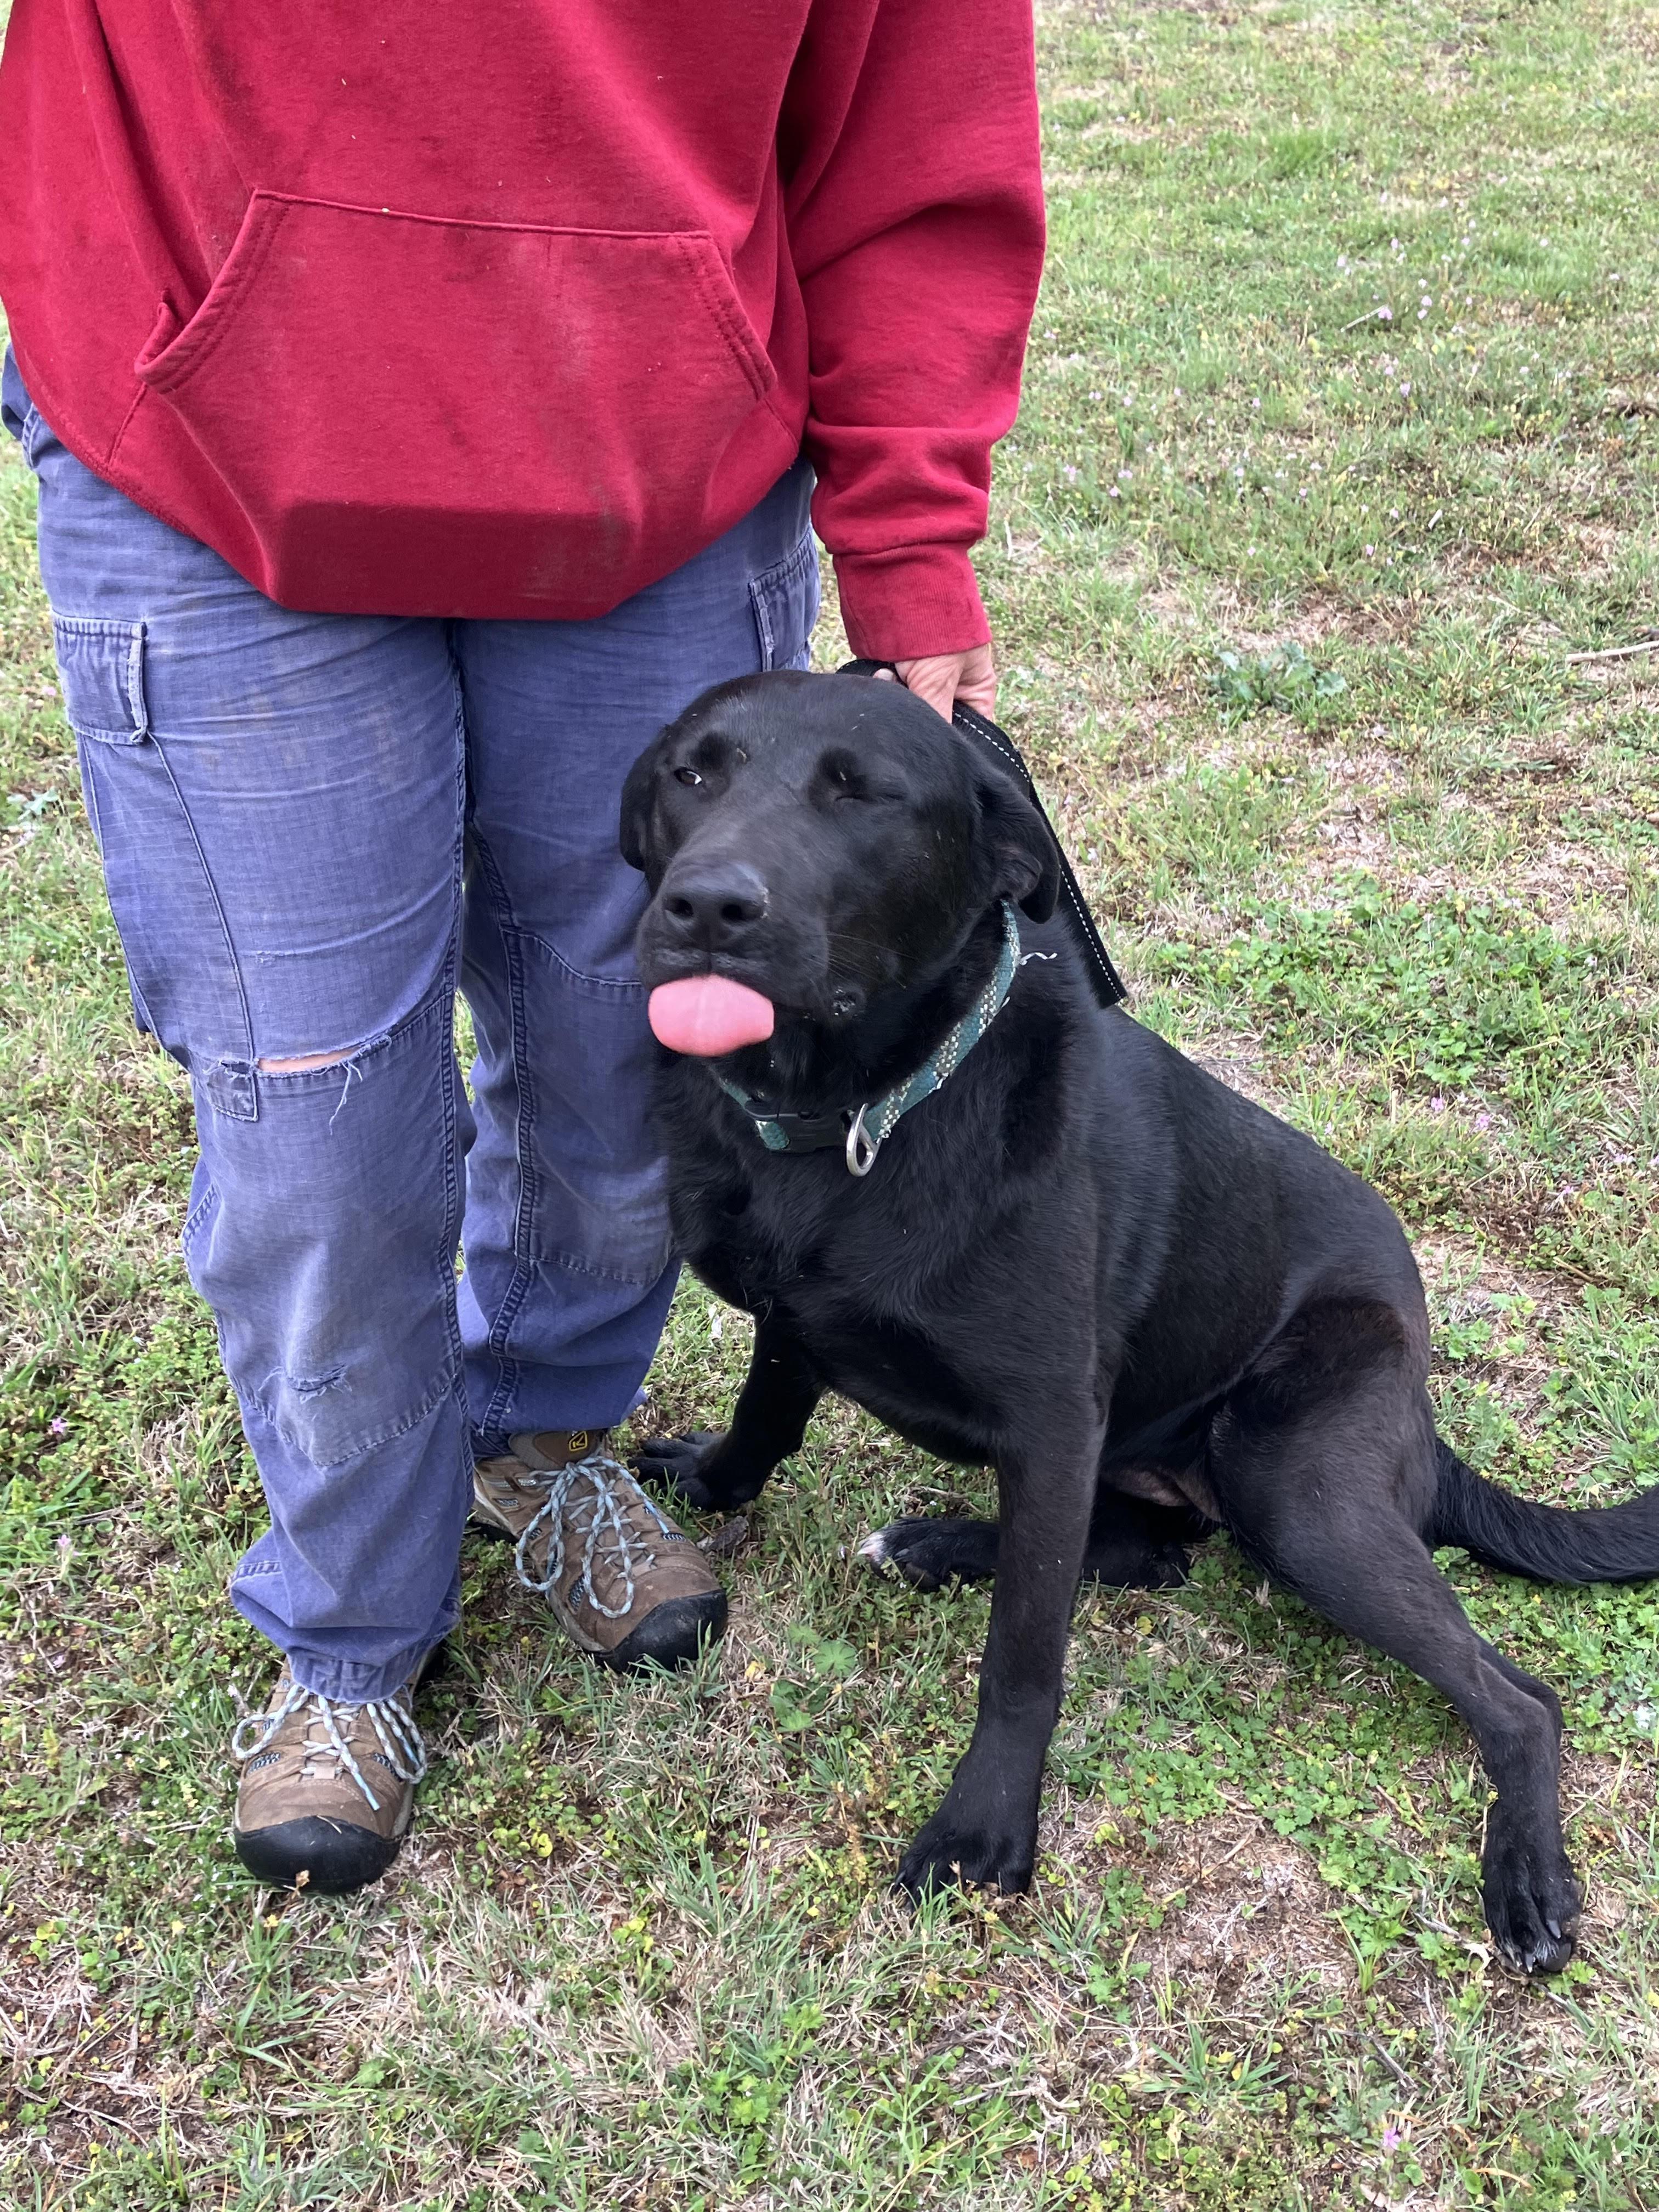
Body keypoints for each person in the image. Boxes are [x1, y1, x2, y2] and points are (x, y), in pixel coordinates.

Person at [0, 0, 1044, 1894]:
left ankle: (547, 1434)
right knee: (315, 1111)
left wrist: (912, 540)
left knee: (634, 1048)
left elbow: (915, 104)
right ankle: (351, 1627)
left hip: (659, 456)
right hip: (206, 449)